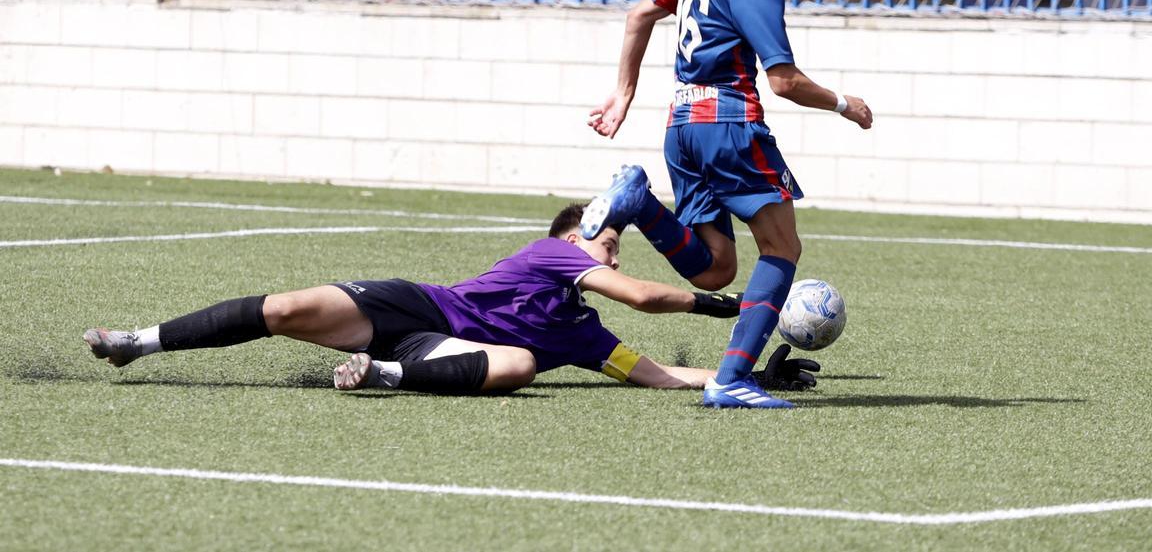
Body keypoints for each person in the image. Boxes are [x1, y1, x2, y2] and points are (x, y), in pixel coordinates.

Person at [585, 0, 872, 410]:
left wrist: (623, 96)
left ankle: (640, 203)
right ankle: (732, 378)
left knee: (716, 269)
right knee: (783, 246)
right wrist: (845, 104)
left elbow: (639, 13)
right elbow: (784, 82)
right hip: (728, 125)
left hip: (681, 125)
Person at [84, 203, 818, 396]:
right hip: (417, 308)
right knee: (282, 310)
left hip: (430, 354)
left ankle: (380, 377)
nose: (611, 249)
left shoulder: (589, 340)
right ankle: (136, 342)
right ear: (569, 240)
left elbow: (664, 375)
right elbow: (651, 298)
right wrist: (730, 306)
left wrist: (747, 366)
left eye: (615, 246)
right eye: (604, 241)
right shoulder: (551, 253)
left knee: (521, 364)